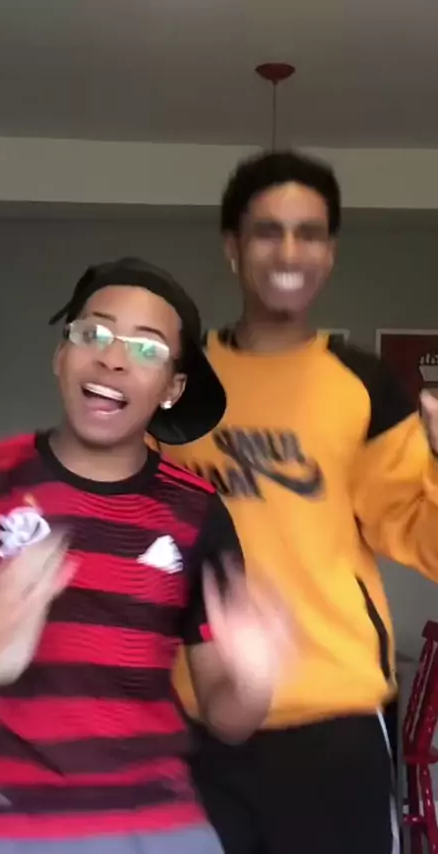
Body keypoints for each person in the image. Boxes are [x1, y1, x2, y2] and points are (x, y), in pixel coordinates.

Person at [0, 258, 291, 853]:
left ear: (172, 389)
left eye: (146, 348)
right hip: (2, 821)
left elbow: (229, 721)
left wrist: (256, 682)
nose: (113, 358)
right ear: (61, 355)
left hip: (156, 823)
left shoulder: (198, 512)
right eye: (93, 333)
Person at [161, 151, 438, 854]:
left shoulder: (364, 385)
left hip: (334, 719)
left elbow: (423, 540)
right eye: (268, 231)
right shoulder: (174, 385)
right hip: (195, 718)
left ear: (330, 252)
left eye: (309, 233)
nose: (290, 252)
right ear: (232, 246)